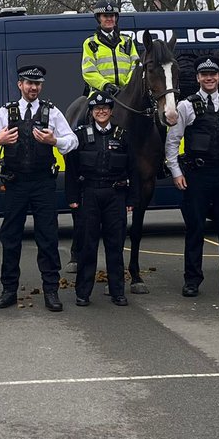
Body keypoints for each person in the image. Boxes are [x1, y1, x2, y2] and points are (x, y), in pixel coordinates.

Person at [0, 64, 78, 312]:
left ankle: (51, 291)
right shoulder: (6, 112)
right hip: (14, 183)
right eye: (28, 83)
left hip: (43, 184)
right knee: (10, 238)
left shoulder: (52, 112)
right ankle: (9, 290)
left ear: (41, 86)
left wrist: (54, 141)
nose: (33, 87)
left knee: (48, 238)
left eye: (37, 84)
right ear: (20, 85)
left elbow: (72, 140)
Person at [164, 56, 219, 298]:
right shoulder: (185, 106)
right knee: (195, 229)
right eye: (204, 75)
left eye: (213, 74)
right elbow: (172, 142)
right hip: (196, 176)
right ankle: (192, 280)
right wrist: (176, 172)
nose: (209, 78)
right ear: (198, 78)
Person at [65, 90, 136, 307]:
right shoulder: (80, 135)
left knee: (115, 246)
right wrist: (73, 197)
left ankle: (117, 292)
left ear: (111, 111)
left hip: (116, 195)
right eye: (97, 109)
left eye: (105, 108)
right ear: (91, 112)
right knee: (88, 246)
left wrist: (132, 199)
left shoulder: (123, 136)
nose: (101, 111)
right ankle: (83, 292)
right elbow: (71, 168)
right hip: (90, 195)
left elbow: (132, 169)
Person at [80, 0, 139, 97]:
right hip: (101, 92)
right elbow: (88, 71)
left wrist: (127, 84)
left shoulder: (127, 41)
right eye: (105, 16)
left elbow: (136, 65)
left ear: (116, 18)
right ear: (99, 18)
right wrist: (105, 85)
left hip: (126, 92)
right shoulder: (90, 43)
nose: (109, 19)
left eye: (112, 15)